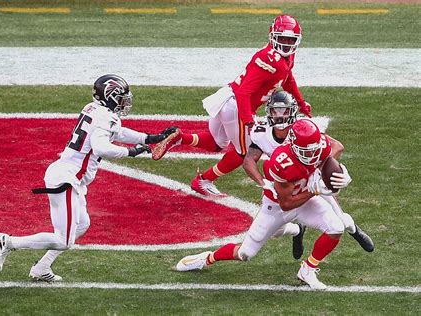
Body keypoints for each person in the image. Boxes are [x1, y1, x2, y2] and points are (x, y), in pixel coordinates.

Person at [0, 74, 177, 282]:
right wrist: (131, 152)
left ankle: (41, 267)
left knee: (82, 225)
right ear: (110, 96)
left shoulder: (94, 109)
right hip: (66, 179)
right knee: (63, 241)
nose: (125, 102)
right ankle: (8, 242)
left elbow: (116, 132)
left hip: (68, 177)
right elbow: (102, 147)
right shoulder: (106, 117)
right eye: (121, 97)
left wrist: (149, 138)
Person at [175, 119, 354, 290]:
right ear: (293, 146)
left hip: (305, 201)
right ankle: (207, 258)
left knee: (336, 227)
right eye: (306, 151)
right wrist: (315, 190)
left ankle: (307, 269)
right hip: (277, 206)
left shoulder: (317, 146)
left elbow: (333, 151)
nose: (313, 155)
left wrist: (339, 175)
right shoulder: (280, 162)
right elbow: (287, 203)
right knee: (245, 254)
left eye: (314, 150)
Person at [152, 15, 312, 197]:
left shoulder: (284, 57)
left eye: (289, 40)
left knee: (217, 142)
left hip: (228, 98)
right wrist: (249, 122)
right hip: (236, 104)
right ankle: (204, 180)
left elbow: (287, 78)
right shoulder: (270, 59)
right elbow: (244, 92)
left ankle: (181, 138)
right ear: (272, 36)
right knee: (244, 152)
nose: (285, 44)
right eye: (281, 38)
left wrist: (300, 102)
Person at [243, 90, 374, 253]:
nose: (279, 115)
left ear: (292, 112)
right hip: (286, 181)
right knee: (274, 231)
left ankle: (354, 229)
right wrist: (263, 183)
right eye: (275, 110)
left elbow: (336, 146)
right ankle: (298, 230)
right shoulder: (261, 133)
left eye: (284, 111)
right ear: (269, 111)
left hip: (312, 179)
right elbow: (249, 160)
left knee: (339, 221)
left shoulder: (303, 129)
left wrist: (315, 174)